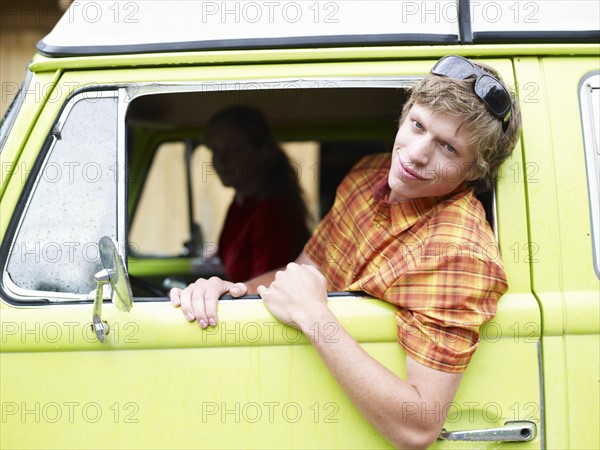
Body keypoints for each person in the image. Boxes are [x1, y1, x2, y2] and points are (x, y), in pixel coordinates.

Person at [171, 55, 522, 448]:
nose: (417, 154)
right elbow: (303, 271)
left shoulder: (461, 252)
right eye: (417, 125)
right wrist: (230, 292)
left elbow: (418, 426)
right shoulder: (367, 174)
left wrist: (315, 317)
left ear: (475, 170)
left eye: (449, 148)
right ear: (404, 116)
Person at [203, 105, 311, 282]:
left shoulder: (272, 213)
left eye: (235, 149)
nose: (221, 160)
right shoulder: (242, 203)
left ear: (262, 153)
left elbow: (265, 288)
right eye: (216, 149)